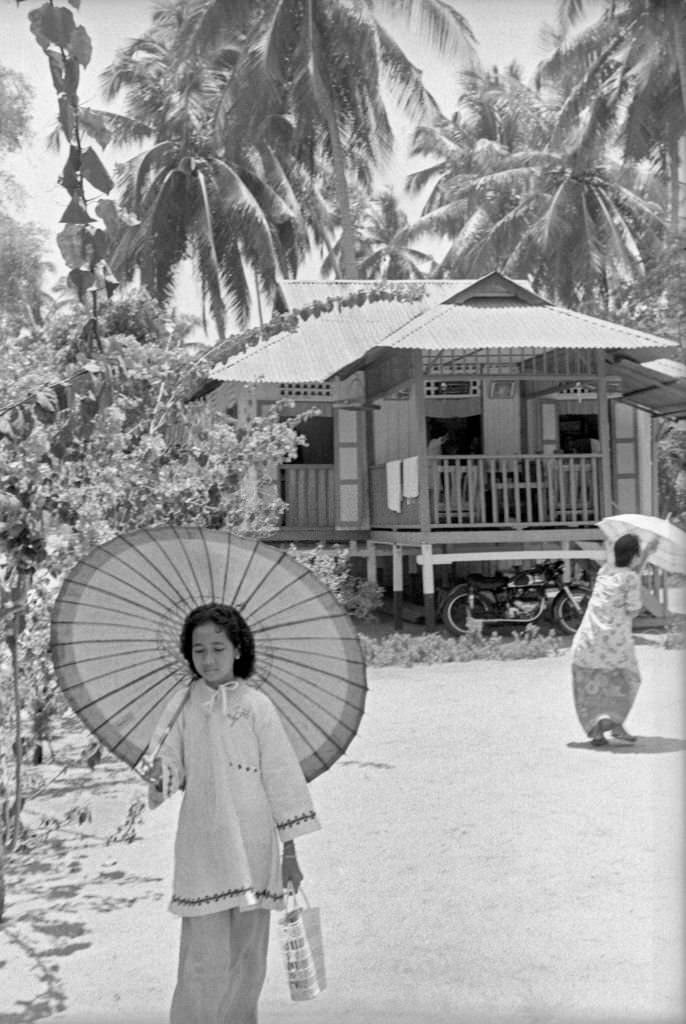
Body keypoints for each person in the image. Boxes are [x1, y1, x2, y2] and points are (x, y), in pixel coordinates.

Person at [147, 602, 321, 1024]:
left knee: (247, 960)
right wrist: (160, 772)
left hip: (254, 843)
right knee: (202, 962)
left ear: (238, 650)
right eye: (198, 649)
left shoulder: (258, 706)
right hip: (203, 844)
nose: (207, 659)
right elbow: (170, 766)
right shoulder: (182, 705)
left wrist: (291, 855)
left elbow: (281, 779)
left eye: (217, 649)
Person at [571, 533, 658, 746]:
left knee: (593, 685)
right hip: (615, 648)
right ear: (634, 556)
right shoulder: (631, 579)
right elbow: (634, 609)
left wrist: (645, 551)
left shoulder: (604, 572)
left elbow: (627, 573)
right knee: (627, 681)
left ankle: (599, 731)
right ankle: (615, 724)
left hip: (588, 643)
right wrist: (648, 551)